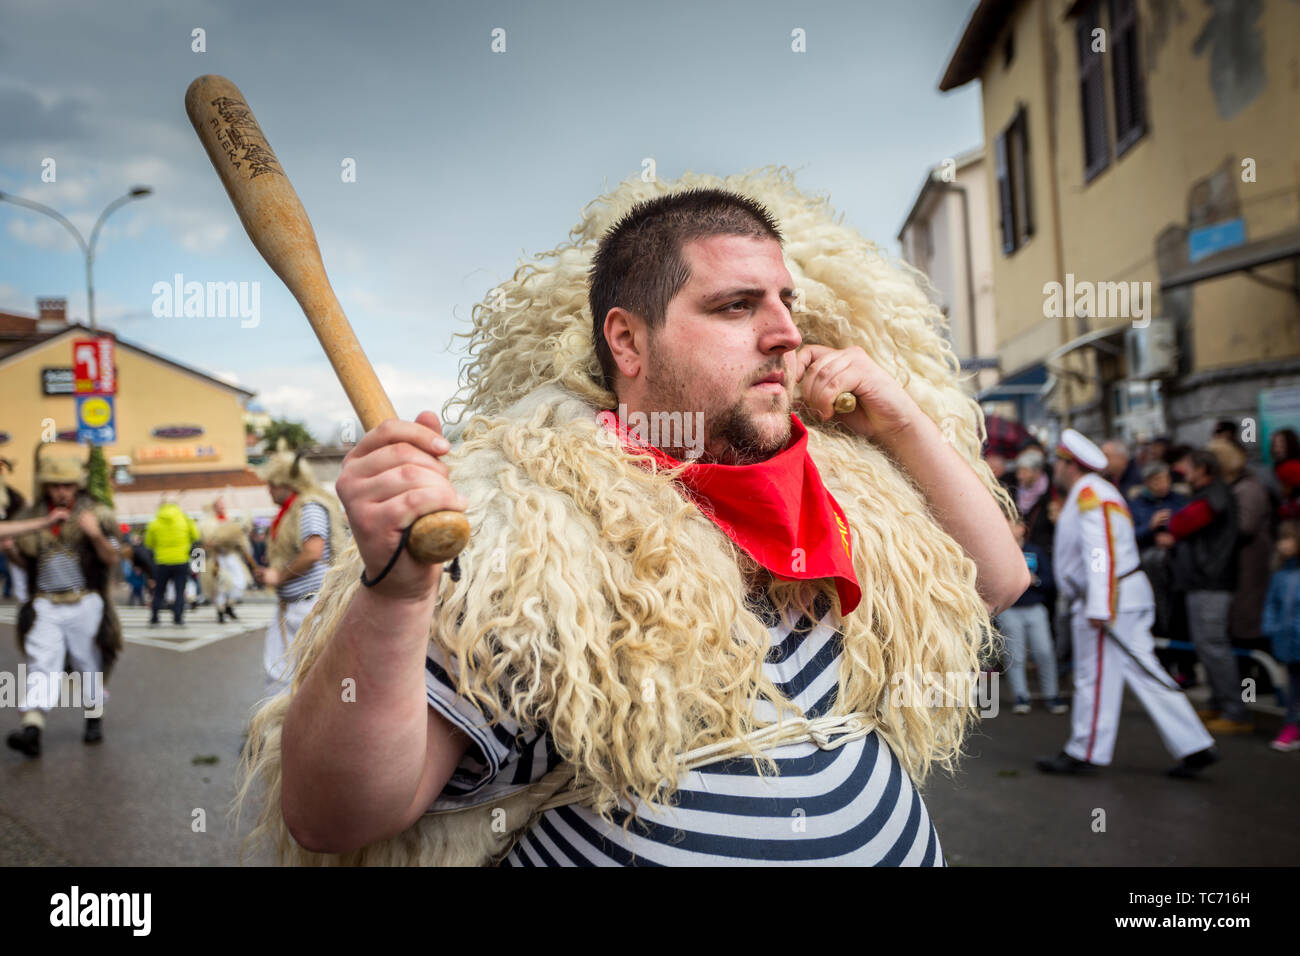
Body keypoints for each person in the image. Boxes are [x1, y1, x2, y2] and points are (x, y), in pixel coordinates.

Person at [239, 174, 1028, 867]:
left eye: (787, 302)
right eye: (736, 306)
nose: (787, 332)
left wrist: (899, 420)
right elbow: (333, 817)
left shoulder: (841, 479)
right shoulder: (535, 528)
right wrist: (395, 595)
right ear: (627, 341)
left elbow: (995, 582)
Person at [1035, 430, 1216, 778]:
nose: (1055, 468)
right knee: (1145, 673)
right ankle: (1195, 745)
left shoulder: (1090, 493)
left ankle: (1085, 751)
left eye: (1058, 462)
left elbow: (1100, 551)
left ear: (1068, 464)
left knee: (1095, 676)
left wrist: (1100, 606)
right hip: (1121, 595)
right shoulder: (1095, 492)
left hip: (1110, 598)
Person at [5, 453, 123, 757]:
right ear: (46, 487)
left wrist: (95, 535)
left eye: (67, 485)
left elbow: (112, 559)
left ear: (76, 487)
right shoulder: (31, 517)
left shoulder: (96, 514)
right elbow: (26, 562)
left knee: (87, 662)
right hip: (45, 603)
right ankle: (32, 727)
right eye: (55, 485)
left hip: (84, 601)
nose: (61, 492)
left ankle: (94, 716)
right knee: (41, 662)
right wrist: (12, 553)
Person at [1159, 447, 1250, 733]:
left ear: (1203, 469)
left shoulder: (1214, 495)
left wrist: (1174, 525)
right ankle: (1218, 703)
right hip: (1202, 580)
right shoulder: (1209, 494)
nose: (1185, 470)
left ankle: (1234, 711)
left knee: (1213, 645)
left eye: (1191, 465)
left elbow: (1181, 524)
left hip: (1210, 581)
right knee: (1205, 645)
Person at [253, 441, 347, 698]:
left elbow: (313, 552)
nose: (269, 489)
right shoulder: (295, 509)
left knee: (295, 672)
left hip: (309, 605)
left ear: (287, 483)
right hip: (296, 605)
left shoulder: (308, 507)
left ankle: (286, 729)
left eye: (273, 483)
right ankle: (281, 727)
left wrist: (279, 576)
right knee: (285, 672)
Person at [997, 519, 1066, 714]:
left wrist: (1036, 581)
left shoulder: (1035, 551)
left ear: (1022, 528)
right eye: (1007, 523)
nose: (1010, 527)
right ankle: (1021, 696)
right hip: (1010, 609)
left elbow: (1051, 581)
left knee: (1044, 652)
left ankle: (1051, 695)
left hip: (1035, 608)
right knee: (1015, 655)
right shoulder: (999, 551)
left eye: (1014, 523)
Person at [1262, 522, 1300, 752]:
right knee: (1293, 686)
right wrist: (1271, 629)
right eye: (1282, 538)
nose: (1284, 544)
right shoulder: (1280, 574)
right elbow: (1271, 605)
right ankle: (1291, 725)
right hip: (1288, 641)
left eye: (1290, 538)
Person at [198, 496, 257, 624]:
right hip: (216, 557)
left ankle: (229, 605)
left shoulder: (230, 520)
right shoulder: (207, 523)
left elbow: (239, 537)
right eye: (219, 504)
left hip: (230, 555)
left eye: (223, 504)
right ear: (214, 506)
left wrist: (239, 544)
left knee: (240, 581)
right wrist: (211, 545)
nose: (222, 507)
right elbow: (203, 543)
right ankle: (220, 610)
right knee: (219, 584)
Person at [144, 496, 199, 627]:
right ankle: (178, 617)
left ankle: (155, 617)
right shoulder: (185, 519)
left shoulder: (155, 522)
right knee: (180, 591)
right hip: (181, 560)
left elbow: (148, 543)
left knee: (159, 591)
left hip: (162, 561)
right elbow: (196, 536)